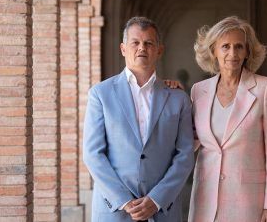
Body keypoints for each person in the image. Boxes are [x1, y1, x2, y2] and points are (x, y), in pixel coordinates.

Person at [83, 16, 195, 222]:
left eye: (148, 43)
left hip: (163, 211)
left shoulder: (179, 99)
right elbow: (93, 154)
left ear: (159, 50)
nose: (141, 48)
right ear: (123, 48)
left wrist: (156, 199)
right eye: (135, 42)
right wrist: (124, 201)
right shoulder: (100, 94)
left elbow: (185, 156)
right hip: (114, 211)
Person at [188, 16, 267, 222]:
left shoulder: (265, 89)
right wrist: (168, 95)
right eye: (225, 46)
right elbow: (188, 141)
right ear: (214, 50)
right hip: (205, 199)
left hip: (249, 202)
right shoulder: (199, 91)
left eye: (239, 47)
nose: (232, 53)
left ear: (247, 51)